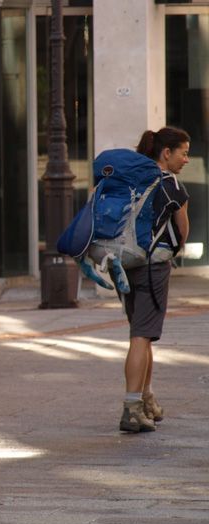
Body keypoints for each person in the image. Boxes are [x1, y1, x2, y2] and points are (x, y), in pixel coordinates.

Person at [119, 127, 190, 433]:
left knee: (142, 332)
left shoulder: (130, 177)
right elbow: (182, 230)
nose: (186, 159)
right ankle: (132, 407)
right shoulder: (170, 184)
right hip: (153, 266)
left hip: (125, 263)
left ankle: (146, 399)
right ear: (166, 153)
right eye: (183, 153)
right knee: (141, 335)